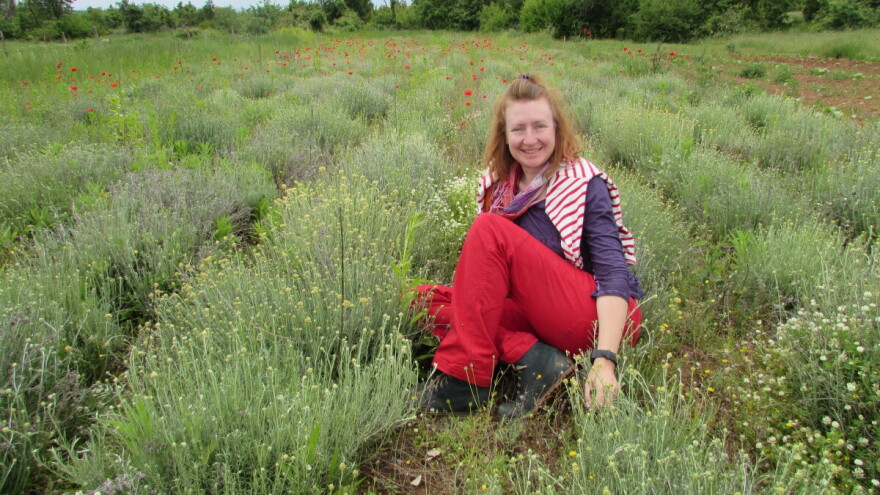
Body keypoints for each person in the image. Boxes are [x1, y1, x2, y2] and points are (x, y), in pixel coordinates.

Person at [415, 73, 643, 419]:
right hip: (539, 311)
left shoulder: (583, 182)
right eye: (518, 129)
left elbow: (614, 273)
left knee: (489, 229)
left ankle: (465, 384)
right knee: (423, 300)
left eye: (540, 126)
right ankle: (537, 358)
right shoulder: (501, 186)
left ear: (557, 130)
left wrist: (605, 359)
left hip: (597, 315)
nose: (530, 139)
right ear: (504, 136)